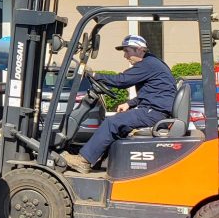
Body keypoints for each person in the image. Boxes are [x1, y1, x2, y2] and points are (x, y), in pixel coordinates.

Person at [62, 34, 176, 173]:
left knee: (112, 122)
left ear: (140, 49)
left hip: (155, 112)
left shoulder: (148, 64)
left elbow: (121, 81)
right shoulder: (151, 63)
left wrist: (95, 76)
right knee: (118, 125)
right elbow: (151, 92)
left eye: (127, 51)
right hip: (154, 110)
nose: (125, 56)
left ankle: (84, 160)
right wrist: (130, 103)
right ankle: (95, 159)